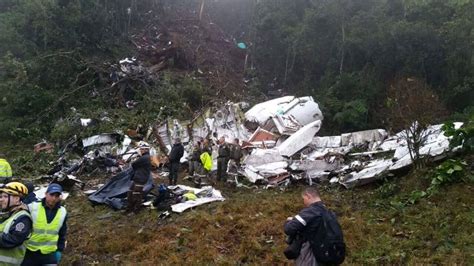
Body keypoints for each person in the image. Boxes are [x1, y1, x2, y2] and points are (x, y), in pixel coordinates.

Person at [22, 183, 67, 266]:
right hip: (30, 252)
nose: (53, 198)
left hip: (49, 254)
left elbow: (62, 232)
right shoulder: (33, 207)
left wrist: (60, 249)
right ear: (46, 194)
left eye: (57, 196)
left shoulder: (63, 212)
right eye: (51, 195)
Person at [283, 187, 326, 266]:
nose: (304, 202)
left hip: (310, 254)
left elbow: (289, 229)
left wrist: (289, 221)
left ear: (308, 196)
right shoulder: (328, 212)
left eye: (304, 199)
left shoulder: (310, 211)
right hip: (325, 253)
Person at [0, 182, 32, 265]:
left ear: (17, 199)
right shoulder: (7, 215)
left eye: (5, 197)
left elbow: (13, 240)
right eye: (1, 196)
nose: (1, 199)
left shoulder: (23, 218)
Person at [126, 142, 151, 214]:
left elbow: (133, 164)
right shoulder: (144, 157)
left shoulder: (144, 157)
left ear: (146, 150)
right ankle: (129, 208)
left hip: (141, 178)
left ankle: (136, 210)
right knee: (130, 192)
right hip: (137, 177)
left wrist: (138, 157)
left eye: (142, 149)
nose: (141, 150)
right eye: (141, 149)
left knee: (137, 194)